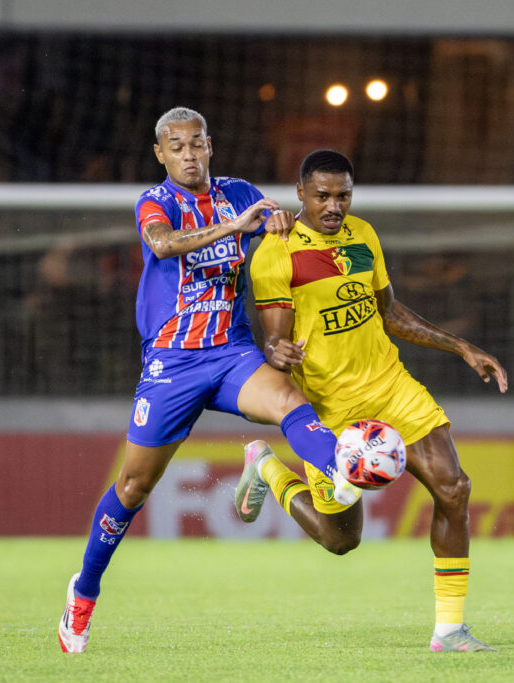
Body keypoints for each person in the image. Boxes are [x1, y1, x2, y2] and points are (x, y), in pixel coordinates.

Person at [58, 109, 358, 653]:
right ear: (161, 154)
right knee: (133, 488)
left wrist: (280, 227)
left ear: (211, 146)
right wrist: (235, 229)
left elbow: (278, 230)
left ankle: (341, 468)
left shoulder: (240, 192)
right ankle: (84, 591)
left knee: (288, 397)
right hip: (172, 363)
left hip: (231, 353)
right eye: (177, 146)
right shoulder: (157, 202)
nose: (189, 154)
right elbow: (163, 245)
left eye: (197, 143)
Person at [234, 149, 508, 653]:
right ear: (301, 194)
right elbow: (273, 338)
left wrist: (460, 346)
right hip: (330, 408)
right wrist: (279, 349)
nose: (334, 206)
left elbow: (389, 312)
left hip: (390, 387)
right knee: (340, 540)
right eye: (322, 196)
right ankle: (266, 466)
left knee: (455, 489)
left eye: (343, 195)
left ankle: (449, 630)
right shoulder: (276, 251)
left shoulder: (364, 235)